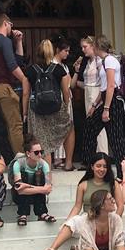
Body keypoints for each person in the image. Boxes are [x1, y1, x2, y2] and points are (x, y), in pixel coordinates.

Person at [41, 153, 122, 250]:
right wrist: (68, 221)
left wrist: (115, 220)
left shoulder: (113, 183)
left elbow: (120, 206)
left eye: (105, 166)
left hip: (106, 217)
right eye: (98, 166)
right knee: (72, 222)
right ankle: (53, 249)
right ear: (92, 166)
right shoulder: (83, 184)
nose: (102, 169)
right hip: (89, 217)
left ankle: (81, 248)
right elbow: (77, 206)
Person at [79, 35, 125, 169]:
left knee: (115, 138)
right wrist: (95, 105)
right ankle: (91, 162)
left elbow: (111, 85)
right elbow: (104, 87)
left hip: (113, 102)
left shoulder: (109, 61)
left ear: (97, 47)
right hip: (107, 99)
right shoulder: (104, 61)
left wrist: (106, 108)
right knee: (91, 127)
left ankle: (122, 171)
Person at [23, 40, 72, 168]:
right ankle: (68, 163)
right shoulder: (58, 69)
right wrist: (66, 106)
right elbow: (65, 91)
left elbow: (25, 94)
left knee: (41, 141)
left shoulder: (30, 70)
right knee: (68, 128)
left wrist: (24, 113)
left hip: (36, 109)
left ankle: (46, 173)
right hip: (55, 108)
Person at [0, 14, 29, 156]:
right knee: (16, 125)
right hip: (4, 86)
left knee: (8, 124)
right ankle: (21, 158)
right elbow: (13, 65)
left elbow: (18, 61)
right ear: (6, 23)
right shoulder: (4, 41)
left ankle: (14, 156)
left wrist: (18, 42)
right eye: (11, 25)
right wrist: (24, 79)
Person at [10, 136, 55, 225]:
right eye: (36, 152)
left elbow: (48, 189)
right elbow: (20, 190)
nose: (40, 155)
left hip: (36, 195)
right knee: (24, 175)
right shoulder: (18, 164)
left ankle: (42, 212)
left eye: (41, 152)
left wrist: (27, 186)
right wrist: (41, 189)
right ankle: (23, 213)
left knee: (39, 174)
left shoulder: (44, 164)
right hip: (19, 196)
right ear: (28, 153)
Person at [75, 36, 108, 155]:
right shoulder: (88, 62)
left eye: (85, 47)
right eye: (82, 47)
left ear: (93, 46)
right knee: (92, 125)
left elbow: (103, 81)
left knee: (99, 126)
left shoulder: (99, 61)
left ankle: (103, 155)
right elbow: (85, 83)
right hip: (88, 92)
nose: (83, 50)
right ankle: (95, 156)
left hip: (96, 92)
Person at [54, 38, 77, 171]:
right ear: (58, 50)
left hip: (67, 96)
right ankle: (58, 157)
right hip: (60, 98)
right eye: (65, 51)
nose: (67, 53)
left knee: (67, 127)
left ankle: (63, 157)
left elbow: (70, 84)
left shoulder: (64, 66)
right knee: (59, 127)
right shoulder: (53, 64)